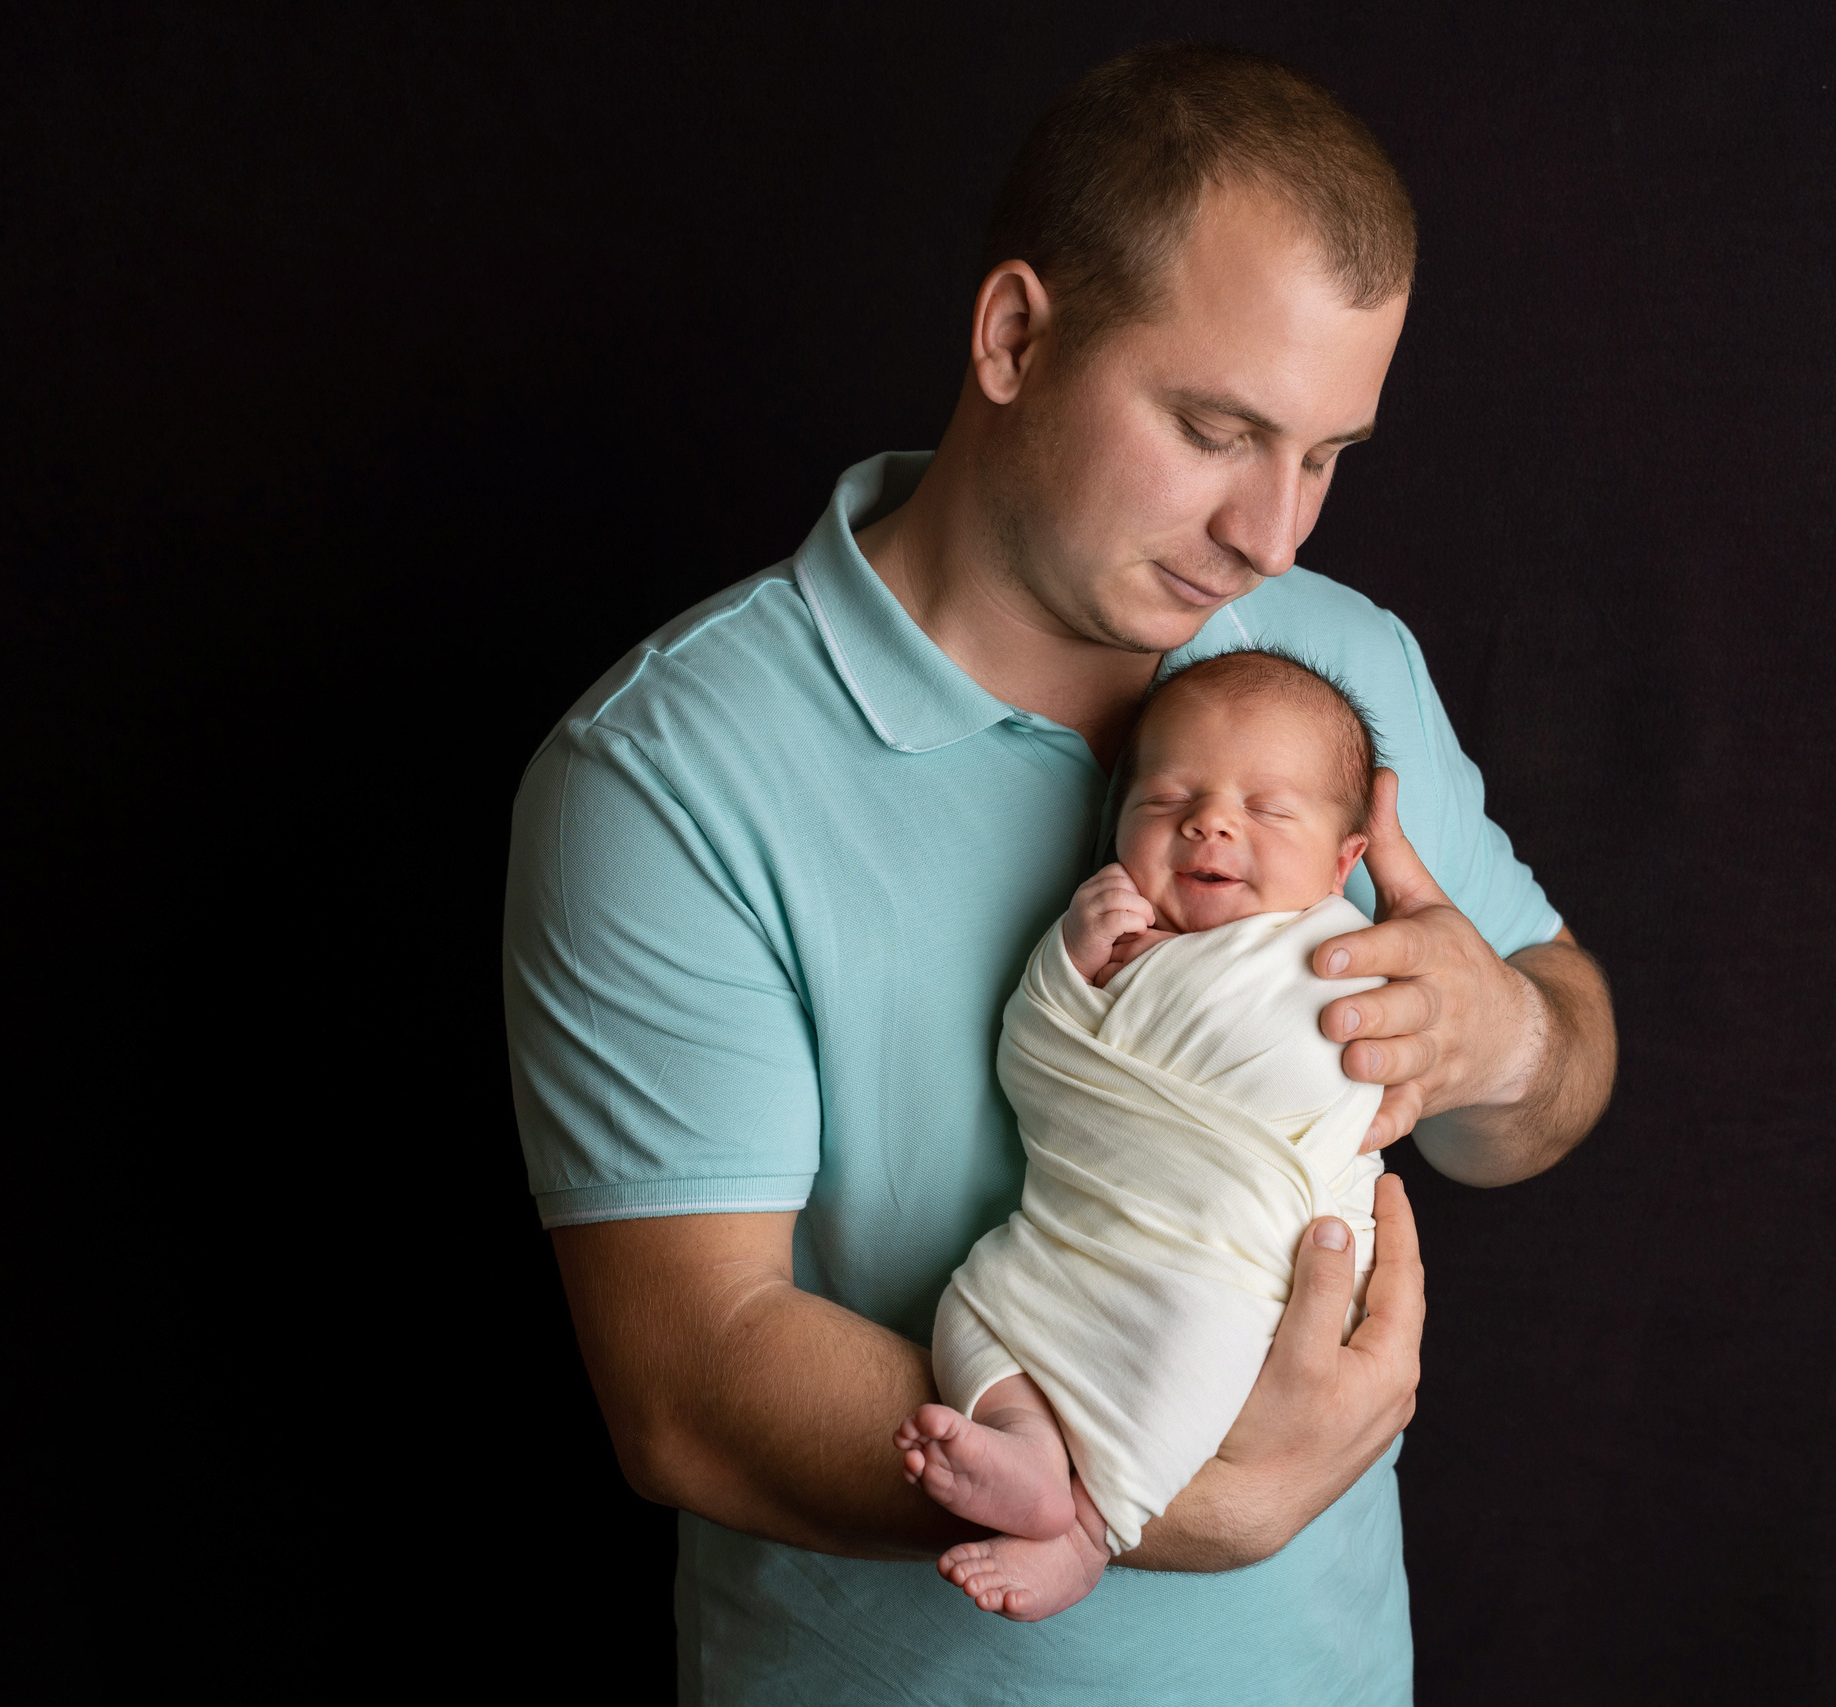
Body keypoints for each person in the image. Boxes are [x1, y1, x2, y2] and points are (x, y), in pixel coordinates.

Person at [506, 42, 1616, 1704]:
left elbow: (1557, 1061)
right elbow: (690, 1382)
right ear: (1015, 334)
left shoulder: (1333, 662)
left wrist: (1502, 1041)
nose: (1273, 535)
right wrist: (1170, 1498)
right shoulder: (666, 775)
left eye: (1326, 453)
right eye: (1216, 429)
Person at [900, 650, 1397, 1623]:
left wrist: (1162, 980)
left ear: (1343, 863)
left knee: (1192, 1356)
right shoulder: (1099, 940)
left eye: (1267, 808)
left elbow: (1320, 1063)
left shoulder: (1335, 954)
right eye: (1169, 798)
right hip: (1070, 1234)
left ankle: (1090, 1528)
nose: (1210, 823)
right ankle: (1026, 1451)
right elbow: (1032, 1061)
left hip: (1227, 1264)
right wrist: (1069, 964)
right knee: (973, 1308)